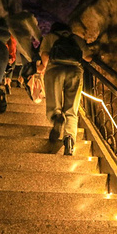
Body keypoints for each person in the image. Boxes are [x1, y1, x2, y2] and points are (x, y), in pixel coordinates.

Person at [39, 22, 92, 155]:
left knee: (54, 103)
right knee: (72, 109)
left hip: (55, 70)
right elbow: (89, 58)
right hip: (75, 71)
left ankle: (56, 117)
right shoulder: (77, 39)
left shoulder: (50, 37)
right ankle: (69, 139)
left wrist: (43, 66)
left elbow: (45, 57)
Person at [7, 11, 42, 90]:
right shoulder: (27, 17)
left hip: (19, 36)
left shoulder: (11, 19)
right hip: (21, 35)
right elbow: (36, 32)